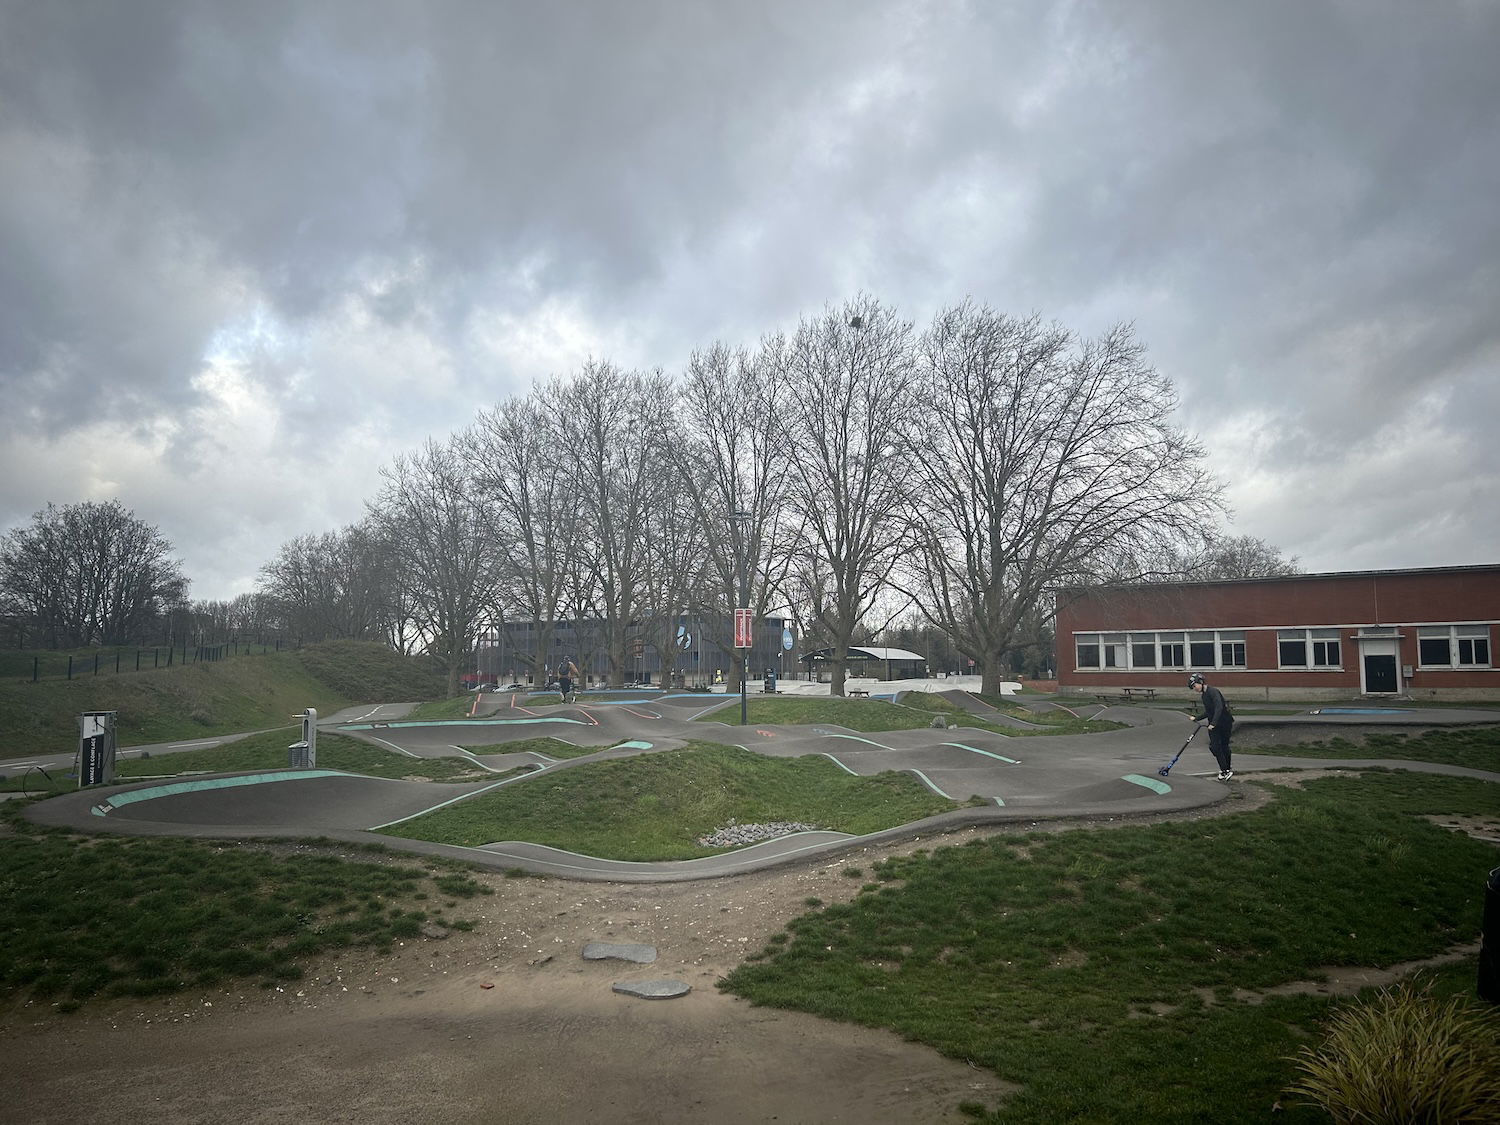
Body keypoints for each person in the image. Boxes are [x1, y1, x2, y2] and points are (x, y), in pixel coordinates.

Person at [1188, 672, 1234, 780]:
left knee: (1224, 746)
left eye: (1195, 686)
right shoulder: (1204, 696)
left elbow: (1219, 708)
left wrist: (1213, 723)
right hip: (1214, 724)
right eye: (1193, 687)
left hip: (1224, 723)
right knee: (1214, 747)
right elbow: (1209, 712)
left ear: (1201, 682)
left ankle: (1226, 770)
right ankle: (1225, 770)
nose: (1194, 688)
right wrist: (1197, 718)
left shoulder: (1213, 692)